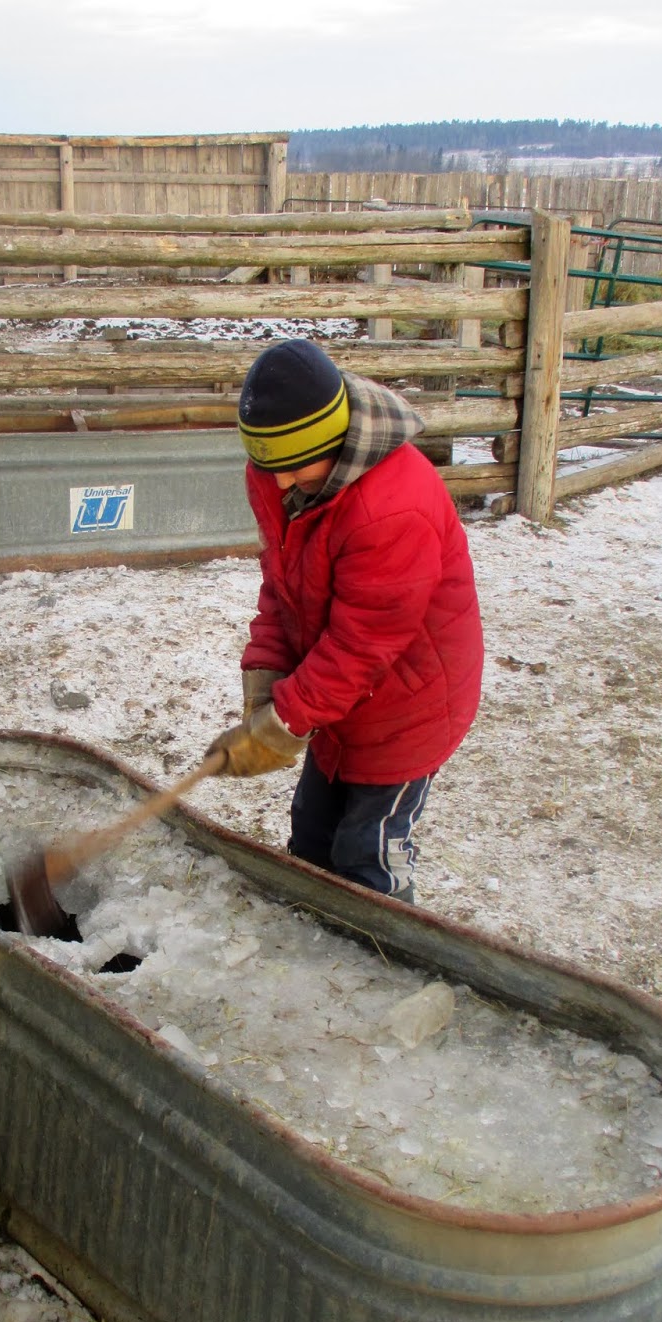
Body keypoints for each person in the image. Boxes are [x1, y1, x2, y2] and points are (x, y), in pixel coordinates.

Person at [206, 338, 483, 904]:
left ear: (337, 442)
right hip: (337, 700)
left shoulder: (392, 510)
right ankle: (311, 945)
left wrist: (284, 722)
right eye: (267, 465)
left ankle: (383, 960)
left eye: (291, 468)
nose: (278, 484)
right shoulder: (285, 474)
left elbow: (361, 646)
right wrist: (265, 673)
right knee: (311, 837)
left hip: (408, 706)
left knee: (367, 854)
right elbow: (284, 582)